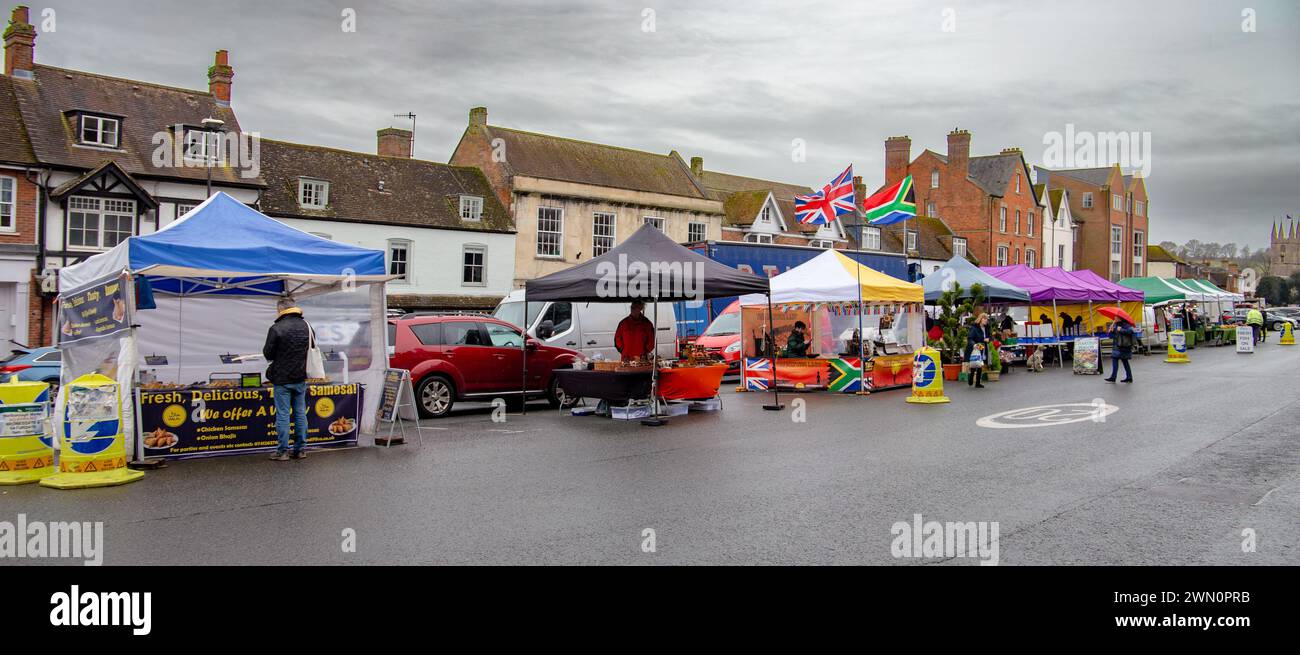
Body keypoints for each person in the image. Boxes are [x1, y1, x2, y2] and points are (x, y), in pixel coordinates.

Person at [263, 296, 312, 461]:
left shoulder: (277, 328)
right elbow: (311, 347)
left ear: (280, 309)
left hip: (282, 379)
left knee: (283, 415)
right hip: (300, 377)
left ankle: (282, 451)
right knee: (300, 413)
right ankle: (300, 450)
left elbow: (268, 354)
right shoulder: (307, 326)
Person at [1104, 318, 1136, 383]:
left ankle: (1115, 377)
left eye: (1116, 317)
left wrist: (1121, 330)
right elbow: (1112, 336)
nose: (1115, 319)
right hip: (1117, 346)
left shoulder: (1126, 325)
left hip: (1123, 346)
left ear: (1120, 318)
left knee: (1122, 361)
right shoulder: (1115, 325)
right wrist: (1111, 331)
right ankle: (1128, 377)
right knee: (1122, 361)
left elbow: (1131, 331)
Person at [965, 314, 989, 388]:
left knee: (980, 364)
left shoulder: (986, 328)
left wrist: (988, 339)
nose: (986, 320)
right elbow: (970, 338)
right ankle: (971, 378)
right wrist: (974, 345)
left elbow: (989, 336)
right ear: (980, 319)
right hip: (976, 347)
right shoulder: (974, 328)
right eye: (984, 319)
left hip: (983, 347)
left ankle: (977, 383)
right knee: (974, 363)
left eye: (986, 319)